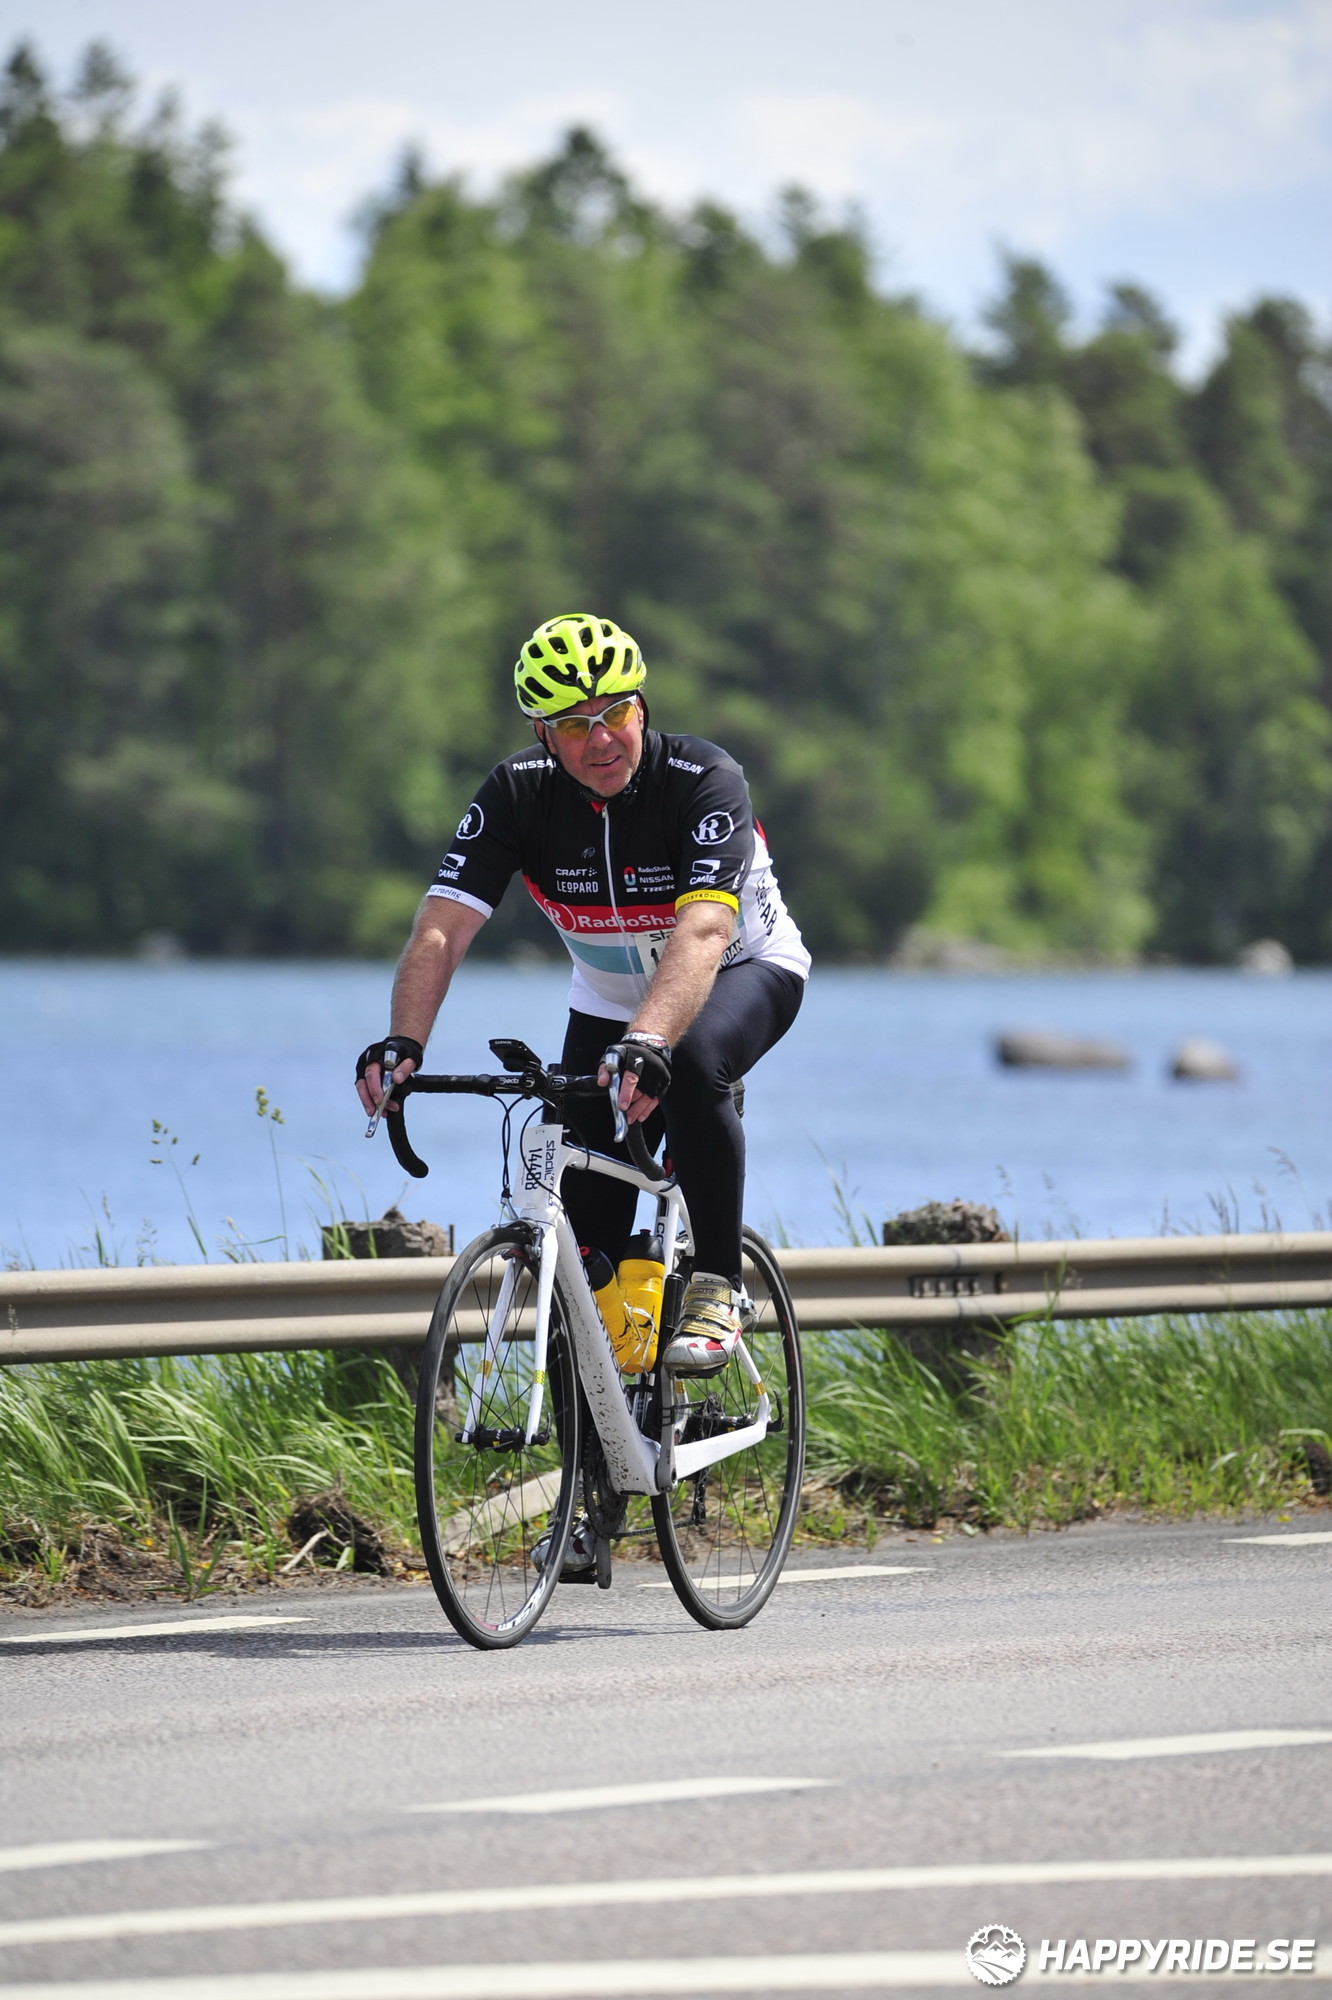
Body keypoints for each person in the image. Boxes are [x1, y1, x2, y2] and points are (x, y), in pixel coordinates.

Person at [355, 612, 809, 1373]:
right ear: (542, 734)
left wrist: (652, 1040)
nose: (601, 740)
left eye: (615, 713)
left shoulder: (704, 779)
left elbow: (703, 930)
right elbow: (441, 928)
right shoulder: (517, 794)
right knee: (584, 1232)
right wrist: (404, 1041)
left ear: (642, 707)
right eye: (573, 725)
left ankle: (717, 1284)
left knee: (694, 1060)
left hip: (741, 971)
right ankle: (601, 1419)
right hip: (608, 1001)